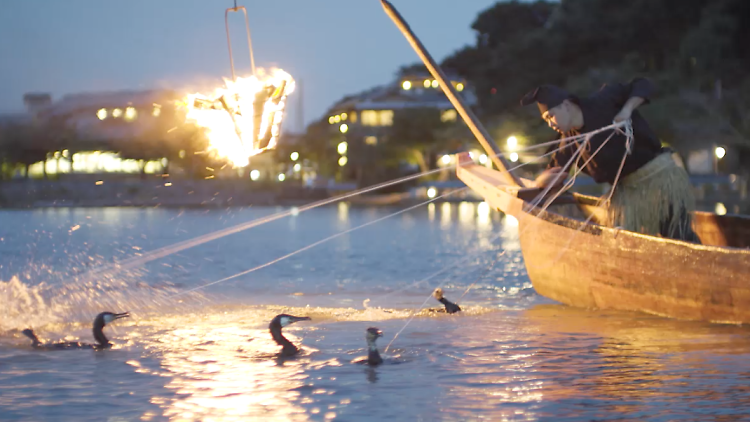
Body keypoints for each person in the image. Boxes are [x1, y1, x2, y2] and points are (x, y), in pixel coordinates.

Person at [520, 78, 700, 243]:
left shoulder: (603, 100)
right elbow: (554, 172)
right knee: (621, 237)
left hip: (657, 179)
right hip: (628, 192)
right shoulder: (568, 140)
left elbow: (643, 84)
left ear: (566, 105)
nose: (550, 123)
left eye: (551, 116)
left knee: (677, 232)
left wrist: (626, 110)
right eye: (546, 120)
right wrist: (542, 181)